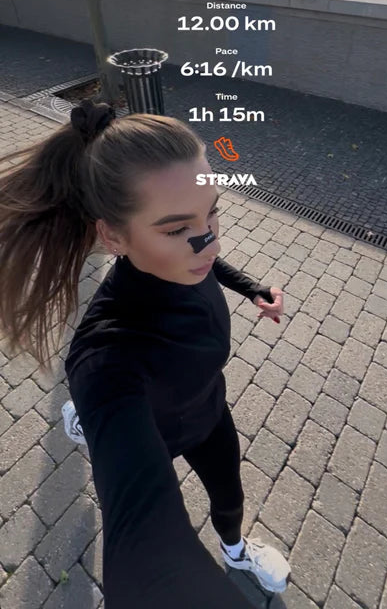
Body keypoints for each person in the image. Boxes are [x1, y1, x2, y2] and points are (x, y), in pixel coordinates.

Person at [0, 99, 290, 608]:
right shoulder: (106, 355)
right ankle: (87, 416)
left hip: (209, 410)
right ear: (112, 236)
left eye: (213, 211)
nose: (209, 243)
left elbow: (210, 256)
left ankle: (237, 552)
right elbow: (145, 547)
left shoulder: (184, 259)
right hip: (157, 432)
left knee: (230, 494)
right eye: (176, 229)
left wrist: (252, 288)